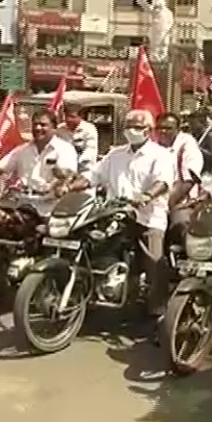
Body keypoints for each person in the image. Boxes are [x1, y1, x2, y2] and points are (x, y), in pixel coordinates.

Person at [69, 109, 175, 334]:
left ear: (148, 130)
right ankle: (87, 296)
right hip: (114, 214)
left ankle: (157, 312)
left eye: (136, 126)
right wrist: (73, 184)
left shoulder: (161, 155)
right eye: (128, 125)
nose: (131, 130)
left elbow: (164, 182)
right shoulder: (115, 154)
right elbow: (94, 176)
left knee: (154, 263)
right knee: (91, 246)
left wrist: (146, 196)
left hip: (148, 217)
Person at [154, 111, 203, 212]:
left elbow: (188, 181)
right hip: (155, 202)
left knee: (180, 223)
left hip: (182, 201)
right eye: (159, 128)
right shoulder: (153, 146)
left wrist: (168, 205)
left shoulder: (187, 144)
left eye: (168, 128)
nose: (163, 131)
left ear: (178, 129)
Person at [62, 103, 98, 182]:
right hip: (64, 174)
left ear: (80, 117)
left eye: (72, 117)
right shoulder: (60, 130)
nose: (68, 119)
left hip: (84, 172)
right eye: (66, 116)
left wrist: (78, 164)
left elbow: (90, 151)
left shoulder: (89, 129)